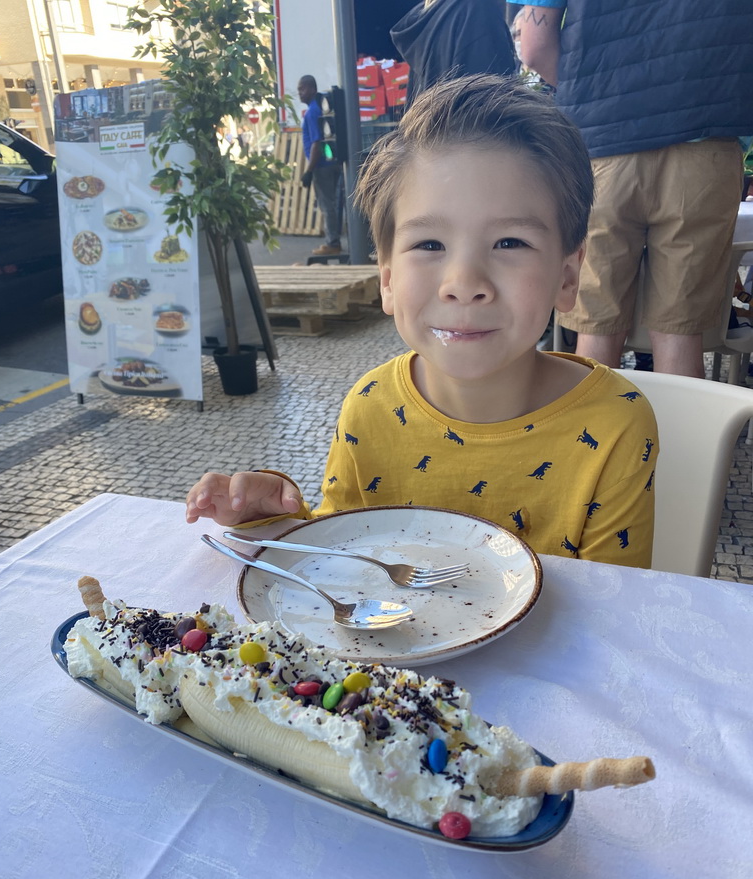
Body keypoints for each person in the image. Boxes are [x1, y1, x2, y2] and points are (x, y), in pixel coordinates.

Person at [186, 75, 658, 568]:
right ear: (387, 280)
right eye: (429, 244)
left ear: (567, 275)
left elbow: (615, 611)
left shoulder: (614, 425)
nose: (464, 282)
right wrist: (276, 519)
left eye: (510, 243)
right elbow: (346, 556)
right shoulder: (370, 408)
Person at [512, 1, 753, 378]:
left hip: (603, 150)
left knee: (596, 326)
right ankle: (675, 438)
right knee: (680, 329)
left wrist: (596, 97)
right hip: (705, 145)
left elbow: (534, 46)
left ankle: (592, 435)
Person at [391, 0, 518, 103]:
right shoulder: (477, 11)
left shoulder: (434, 12)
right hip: (472, 131)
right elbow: (489, 103)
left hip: (437, 131)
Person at [297, 74, 342, 256]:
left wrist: (309, 171)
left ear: (312, 89)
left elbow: (316, 143)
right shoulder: (318, 108)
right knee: (334, 204)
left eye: (302, 89)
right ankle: (334, 241)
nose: (300, 93)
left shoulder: (312, 112)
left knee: (327, 205)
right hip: (329, 162)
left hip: (321, 166)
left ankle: (332, 243)